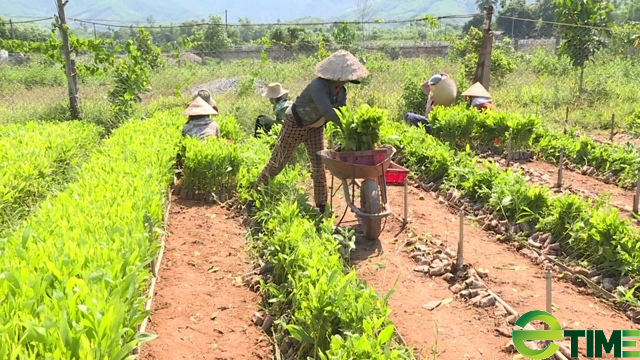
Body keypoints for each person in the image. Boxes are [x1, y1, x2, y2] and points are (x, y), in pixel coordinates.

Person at [244, 49, 369, 215]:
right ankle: (252, 199)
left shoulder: (342, 92)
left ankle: (322, 206)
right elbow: (327, 111)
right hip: (295, 123)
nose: (347, 81)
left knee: (318, 166)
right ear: (337, 76)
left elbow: (341, 112)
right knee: (277, 162)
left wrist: (352, 128)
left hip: (315, 128)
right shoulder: (318, 86)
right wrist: (346, 127)